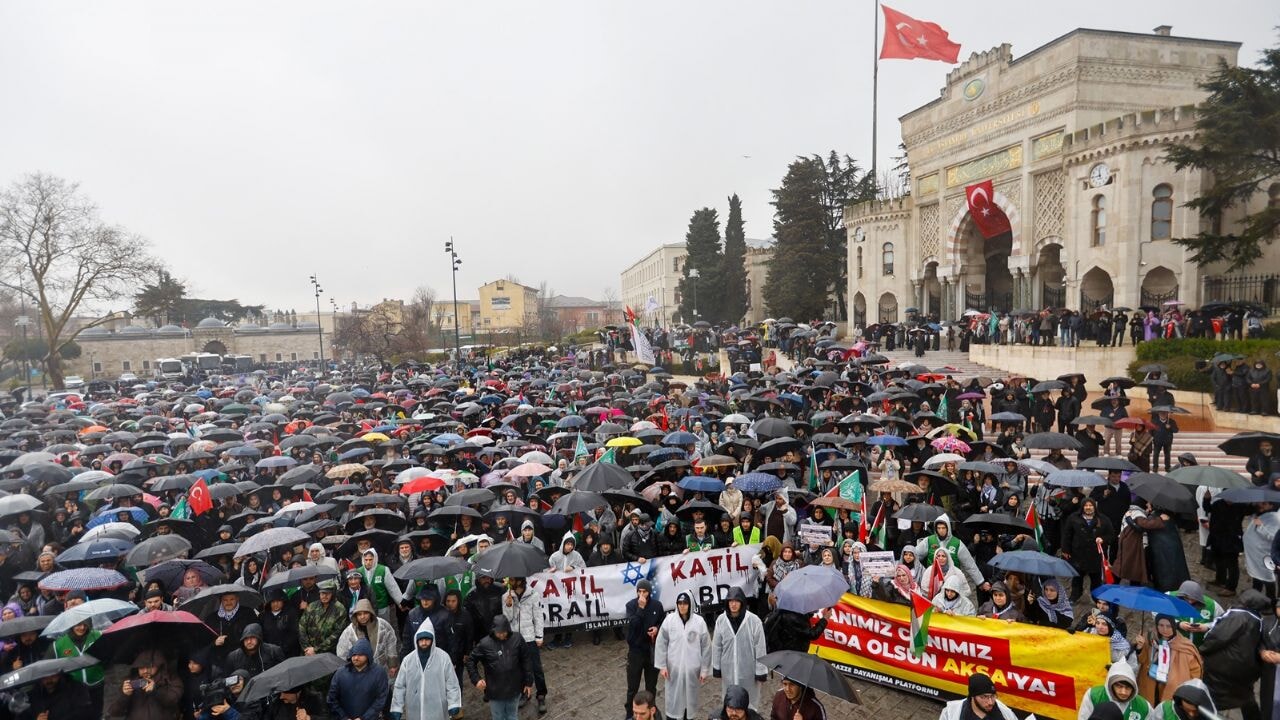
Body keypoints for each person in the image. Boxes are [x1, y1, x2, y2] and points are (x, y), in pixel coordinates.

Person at [1200, 589, 1270, 720]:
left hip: (1224, 667)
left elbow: (1218, 637)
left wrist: (1203, 649)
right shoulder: (1257, 619)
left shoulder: (1238, 616)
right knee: (1245, 697)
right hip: (1245, 669)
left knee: (1212, 697)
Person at [654, 592, 711, 720]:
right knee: (674, 702)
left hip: (693, 672)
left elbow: (706, 646)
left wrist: (704, 669)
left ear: (690, 604)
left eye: (685, 603)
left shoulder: (699, 622)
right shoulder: (669, 620)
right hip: (674, 671)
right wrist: (662, 665)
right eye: (680, 603)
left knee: (689, 703)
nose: (682, 606)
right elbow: (661, 642)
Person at [391, 619, 462, 720]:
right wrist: (397, 707)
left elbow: (451, 683)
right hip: (414, 709)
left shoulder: (443, 657)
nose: (424, 643)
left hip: (437, 708)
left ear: (432, 640)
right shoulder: (408, 660)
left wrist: (453, 703)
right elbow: (400, 686)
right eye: (421, 640)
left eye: (427, 639)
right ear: (416, 640)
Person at [466, 615, 534, 720]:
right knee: (498, 717)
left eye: (504, 632)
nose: (501, 635)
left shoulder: (517, 638)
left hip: (514, 688)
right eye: (499, 633)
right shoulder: (485, 643)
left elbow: (526, 659)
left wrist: (528, 681)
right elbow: (471, 660)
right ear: (493, 630)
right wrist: (476, 679)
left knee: (512, 715)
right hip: (495, 691)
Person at [712, 587, 767, 710]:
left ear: (742, 602)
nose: (733, 604)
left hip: (748, 670)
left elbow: (760, 647)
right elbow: (717, 645)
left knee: (749, 702)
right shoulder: (721, 620)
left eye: (736, 601)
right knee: (730, 701)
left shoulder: (754, 621)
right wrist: (717, 667)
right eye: (730, 601)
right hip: (728, 669)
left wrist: (761, 671)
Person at [501, 576, 547, 712]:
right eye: (510, 580)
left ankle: (541, 695)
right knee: (518, 669)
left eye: (513, 580)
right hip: (514, 639)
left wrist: (539, 636)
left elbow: (538, 617)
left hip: (530, 638)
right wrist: (509, 606)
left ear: (520, 581)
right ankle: (524, 693)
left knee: (536, 668)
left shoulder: (533, 595)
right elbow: (506, 619)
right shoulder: (506, 596)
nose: (511, 583)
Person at [1134, 614, 1203, 706]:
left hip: (1173, 687)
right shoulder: (1149, 638)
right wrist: (1139, 647)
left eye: (1168, 626)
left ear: (1174, 626)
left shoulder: (1185, 645)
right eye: (1161, 625)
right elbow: (1141, 661)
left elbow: (1195, 672)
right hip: (1150, 684)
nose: (1165, 629)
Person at [108, 648, 185, 720]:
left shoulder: (170, 679)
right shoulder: (131, 681)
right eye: (141, 667)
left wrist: (155, 691)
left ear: (158, 664)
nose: (145, 671)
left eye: (149, 667)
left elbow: (172, 700)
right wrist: (125, 696)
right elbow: (114, 712)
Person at [1061, 498, 1114, 601]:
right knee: (1077, 578)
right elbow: (1067, 535)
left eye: (1091, 505)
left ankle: (1096, 598)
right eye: (1086, 505)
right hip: (1078, 554)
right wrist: (1065, 550)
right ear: (1082, 507)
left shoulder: (1103, 519)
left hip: (1095, 556)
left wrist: (1103, 539)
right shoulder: (1073, 518)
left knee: (1096, 580)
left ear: (1094, 507)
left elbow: (1111, 535)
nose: (1088, 508)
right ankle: (1075, 595)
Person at [625, 579, 664, 717]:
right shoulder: (631, 605)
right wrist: (640, 609)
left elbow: (662, 621)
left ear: (649, 592)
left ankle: (651, 711)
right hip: (635, 652)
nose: (642, 594)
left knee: (651, 686)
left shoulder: (657, 605)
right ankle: (630, 713)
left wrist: (657, 628)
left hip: (651, 651)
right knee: (632, 688)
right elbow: (633, 626)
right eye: (639, 591)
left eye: (644, 591)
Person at [337, 598, 401, 679]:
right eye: (359, 614)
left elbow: (391, 644)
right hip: (359, 674)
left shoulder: (383, 625)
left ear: (371, 613)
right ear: (355, 615)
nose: (362, 617)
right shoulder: (349, 632)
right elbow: (342, 653)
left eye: (365, 613)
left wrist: (392, 664)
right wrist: (348, 671)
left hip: (382, 669)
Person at [328, 638, 391, 720]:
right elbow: (332, 698)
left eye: (360, 655)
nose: (356, 658)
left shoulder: (379, 673)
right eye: (353, 655)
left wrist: (364, 718)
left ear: (368, 655)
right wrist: (344, 717)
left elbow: (381, 699)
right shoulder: (340, 673)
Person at [1076, 663, 1151, 720]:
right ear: (1111, 684)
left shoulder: (1144, 706)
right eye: (1119, 686)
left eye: (1128, 688)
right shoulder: (1093, 695)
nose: (1123, 692)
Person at [299, 579, 348, 656]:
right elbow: (302, 627)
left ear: (333, 594)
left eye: (327, 594)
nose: (324, 596)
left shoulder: (340, 609)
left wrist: (316, 649)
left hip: (328, 653)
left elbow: (337, 634)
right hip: (308, 652)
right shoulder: (312, 606)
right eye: (322, 593)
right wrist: (307, 648)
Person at [938, 673, 1017, 720]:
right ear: (972, 696)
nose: (990, 702)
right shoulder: (951, 713)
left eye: (993, 696)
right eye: (984, 697)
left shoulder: (1006, 713)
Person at [25, 668, 91, 720]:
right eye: (45, 677)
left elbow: (83, 713)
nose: (49, 679)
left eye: (53, 675)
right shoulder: (33, 696)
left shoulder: (75, 689)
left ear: (59, 674)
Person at [1149, 679, 1216, 720]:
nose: (1191, 714)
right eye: (1187, 710)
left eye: (1195, 711)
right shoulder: (1165, 709)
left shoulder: (1210, 717)